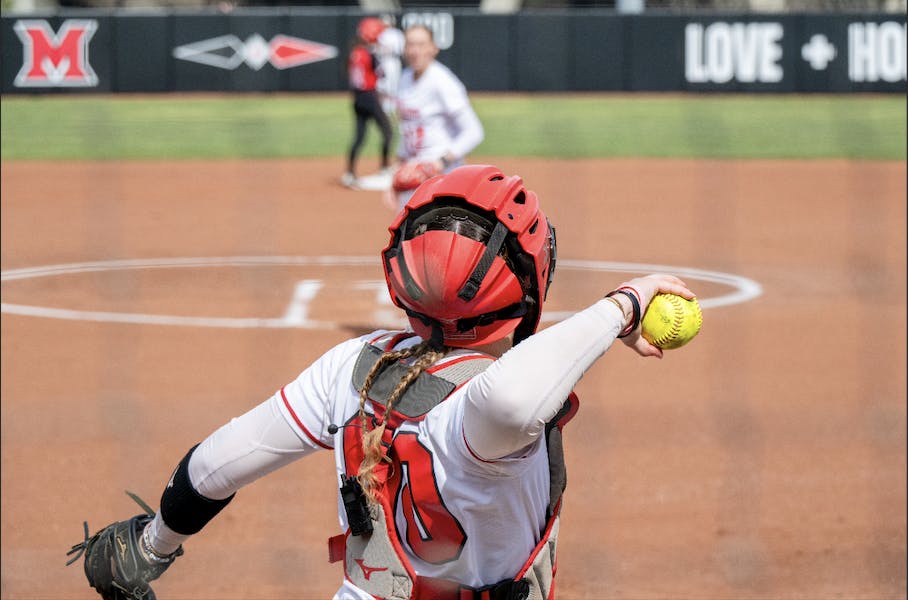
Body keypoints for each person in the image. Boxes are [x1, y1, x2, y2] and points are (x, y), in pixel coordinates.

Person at [66, 165, 697, 600]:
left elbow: (212, 467)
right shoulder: (488, 410)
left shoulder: (354, 365)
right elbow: (508, 396)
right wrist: (623, 304)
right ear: (532, 281)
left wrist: (152, 546)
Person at [386, 24, 485, 211]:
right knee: (407, 236)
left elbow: (474, 132)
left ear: (434, 48)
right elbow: (407, 130)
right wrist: (395, 177)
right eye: (410, 44)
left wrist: (439, 162)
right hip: (414, 176)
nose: (415, 51)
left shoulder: (443, 81)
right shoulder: (404, 79)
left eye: (422, 44)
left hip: (444, 179)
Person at [341, 17, 393, 190]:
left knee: (359, 137)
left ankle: (349, 173)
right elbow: (382, 73)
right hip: (370, 97)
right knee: (388, 132)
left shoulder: (354, 52)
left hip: (357, 98)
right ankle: (385, 168)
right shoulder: (370, 53)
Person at [375, 15, 405, 118]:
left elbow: (400, 50)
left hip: (390, 60)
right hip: (388, 61)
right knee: (385, 85)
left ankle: (388, 108)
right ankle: (387, 108)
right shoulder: (396, 33)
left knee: (390, 85)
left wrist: (384, 49)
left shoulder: (392, 33)